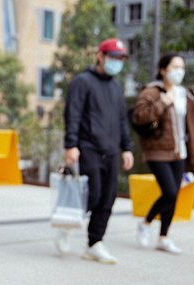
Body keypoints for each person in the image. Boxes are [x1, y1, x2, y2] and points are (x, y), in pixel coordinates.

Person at [60, 38, 135, 263]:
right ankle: (65, 224)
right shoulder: (82, 82)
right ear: (100, 56)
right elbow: (72, 114)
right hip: (87, 147)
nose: (116, 62)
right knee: (91, 194)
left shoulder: (115, 87)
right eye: (113, 57)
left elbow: (122, 119)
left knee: (107, 198)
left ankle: (94, 243)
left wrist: (127, 147)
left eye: (120, 59)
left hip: (111, 149)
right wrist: (71, 144)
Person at [132, 53, 194, 254]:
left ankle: (163, 237)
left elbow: (192, 127)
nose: (179, 71)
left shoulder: (185, 94)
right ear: (163, 70)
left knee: (174, 195)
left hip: (181, 151)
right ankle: (145, 223)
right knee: (170, 191)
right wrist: (163, 102)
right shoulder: (152, 91)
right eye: (174, 67)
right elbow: (139, 116)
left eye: (182, 67)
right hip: (157, 150)